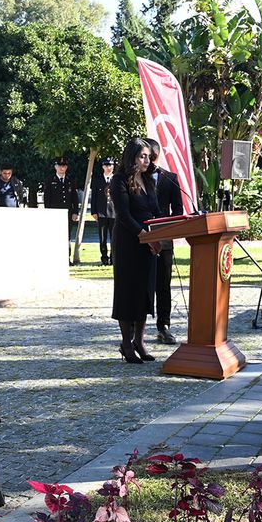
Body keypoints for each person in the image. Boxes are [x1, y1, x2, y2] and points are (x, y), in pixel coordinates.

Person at [110, 138, 161, 364]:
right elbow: (123, 215)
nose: (147, 160)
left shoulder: (149, 180)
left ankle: (139, 341)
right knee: (127, 292)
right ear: (132, 157)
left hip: (148, 243)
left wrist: (160, 233)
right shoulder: (119, 180)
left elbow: (156, 210)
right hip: (128, 243)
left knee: (144, 291)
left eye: (148, 156)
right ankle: (126, 343)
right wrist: (145, 236)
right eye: (142, 156)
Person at [148, 139, 185, 345]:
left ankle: (164, 326)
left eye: (151, 157)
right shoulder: (133, 178)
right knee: (140, 284)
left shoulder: (170, 178)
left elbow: (178, 210)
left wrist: (167, 228)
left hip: (164, 240)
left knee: (163, 285)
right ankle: (134, 327)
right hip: (140, 238)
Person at [42, 157, 78, 261]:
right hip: (55, 213)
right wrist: (48, 212)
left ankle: (67, 258)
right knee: (55, 236)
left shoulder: (70, 180)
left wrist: (75, 212)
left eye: (64, 166)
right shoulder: (50, 180)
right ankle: (55, 258)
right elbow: (47, 198)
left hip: (68, 213)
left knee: (67, 236)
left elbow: (74, 198)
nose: (62, 168)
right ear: (55, 167)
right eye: (60, 166)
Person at [90, 157, 117, 266]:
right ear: (102, 167)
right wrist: (93, 212)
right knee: (102, 238)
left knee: (114, 238)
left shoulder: (117, 180)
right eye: (106, 165)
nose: (108, 167)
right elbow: (94, 197)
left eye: (110, 165)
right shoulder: (97, 180)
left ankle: (113, 258)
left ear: (113, 166)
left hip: (114, 213)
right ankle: (104, 258)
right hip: (101, 213)